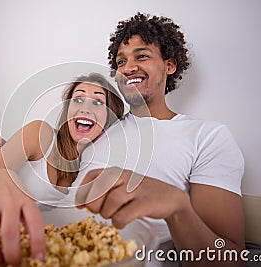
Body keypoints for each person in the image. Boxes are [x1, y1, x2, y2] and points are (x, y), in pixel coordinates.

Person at [72, 13, 245, 266]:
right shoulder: (99, 128)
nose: (128, 67)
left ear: (169, 66)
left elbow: (231, 258)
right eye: (121, 61)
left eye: (141, 56)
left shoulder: (207, 137)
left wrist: (178, 208)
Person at [0, 73, 125, 265]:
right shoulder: (40, 134)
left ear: (111, 117)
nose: (85, 108)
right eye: (78, 99)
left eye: (98, 102)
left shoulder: (92, 171)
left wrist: (5, 147)